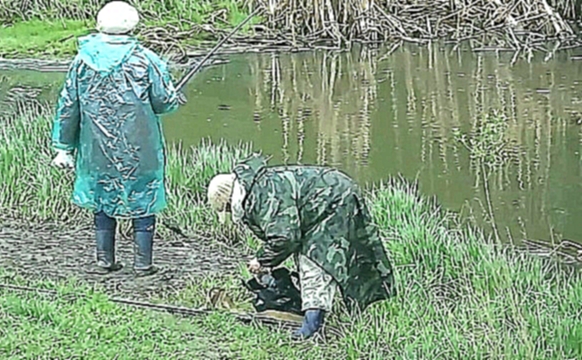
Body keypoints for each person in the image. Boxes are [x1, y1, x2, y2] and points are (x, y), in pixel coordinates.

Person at [50, 1, 186, 277]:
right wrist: (175, 98)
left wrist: (63, 147)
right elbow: (162, 102)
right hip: (141, 144)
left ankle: (104, 260)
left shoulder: (81, 62)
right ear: (132, 25)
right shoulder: (147, 59)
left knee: (101, 196)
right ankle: (143, 263)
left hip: (95, 146)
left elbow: (68, 106)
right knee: (144, 194)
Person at [207, 155, 396, 340]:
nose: (231, 213)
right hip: (333, 195)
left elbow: (286, 238)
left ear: (231, 199)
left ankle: (311, 328)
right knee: (320, 258)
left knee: (315, 261)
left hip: (334, 203)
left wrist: (262, 259)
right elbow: (287, 231)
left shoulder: (264, 196)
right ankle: (336, 312)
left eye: (228, 209)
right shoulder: (256, 188)